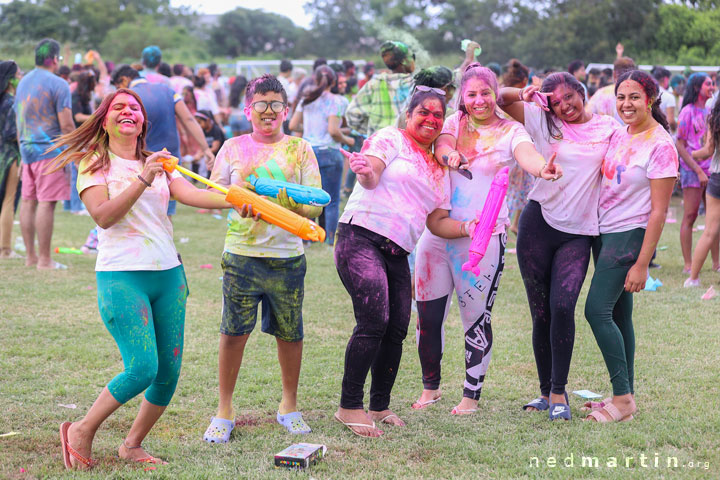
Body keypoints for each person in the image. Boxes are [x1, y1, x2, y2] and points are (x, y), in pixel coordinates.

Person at [50, 88, 232, 470]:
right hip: (122, 277)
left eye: (135, 107)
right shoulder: (94, 164)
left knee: (168, 372)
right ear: (104, 119)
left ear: (143, 121)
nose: (127, 111)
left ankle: (132, 444)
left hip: (169, 275)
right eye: (118, 106)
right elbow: (103, 216)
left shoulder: (157, 163)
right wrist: (144, 178)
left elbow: (193, 195)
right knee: (143, 366)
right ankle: (82, 429)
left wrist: (237, 199)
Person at [413, 65, 561, 416]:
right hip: (436, 235)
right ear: (463, 97)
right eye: (472, 94)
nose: (479, 101)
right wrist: (448, 154)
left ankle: (470, 395)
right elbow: (443, 145)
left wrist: (542, 168)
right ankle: (430, 388)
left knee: (475, 319)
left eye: (485, 93)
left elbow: (527, 154)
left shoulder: (511, 131)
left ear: (496, 93)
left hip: (482, 241)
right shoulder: (453, 122)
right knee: (427, 319)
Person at [203, 74, 323, 443]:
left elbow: (314, 207)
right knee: (233, 332)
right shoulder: (232, 146)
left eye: (275, 105)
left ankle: (289, 405)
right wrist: (241, 201)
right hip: (241, 255)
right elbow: (215, 192)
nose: (268, 112)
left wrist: (285, 200)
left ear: (286, 110)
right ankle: (224, 409)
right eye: (261, 104)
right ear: (248, 109)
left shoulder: (300, 149)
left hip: (287, 256)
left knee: (290, 333)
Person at [333, 88, 455, 437]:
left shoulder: (438, 168)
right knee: (374, 319)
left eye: (437, 115)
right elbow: (371, 173)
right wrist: (362, 170)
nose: (430, 120)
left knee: (397, 328)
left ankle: (379, 405)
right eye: (424, 112)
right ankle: (349, 406)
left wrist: (468, 228)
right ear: (409, 115)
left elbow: (436, 221)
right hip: (360, 237)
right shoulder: (391, 138)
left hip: (398, 251)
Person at [498, 72, 618, 420]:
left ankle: (558, 391)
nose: (564, 107)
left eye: (569, 98)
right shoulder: (542, 120)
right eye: (555, 102)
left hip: (578, 233)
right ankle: (545, 391)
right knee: (541, 313)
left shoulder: (607, 127)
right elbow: (501, 99)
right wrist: (524, 92)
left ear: (582, 93)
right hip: (538, 224)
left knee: (563, 307)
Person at [583, 70, 677, 422]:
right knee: (620, 315)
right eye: (621, 97)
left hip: (629, 235)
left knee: (596, 311)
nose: (626, 104)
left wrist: (641, 263)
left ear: (650, 99)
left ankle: (622, 400)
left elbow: (659, 211)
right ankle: (627, 394)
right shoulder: (619, 134)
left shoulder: (661, 145)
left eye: (635, 97)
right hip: (604, 233)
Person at [112, 65, 215, 215]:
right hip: (169, 160)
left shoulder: (128, 98)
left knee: (142, 213)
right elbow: (189, 119)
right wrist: (206, 149)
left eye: (117, 86)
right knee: (166, 212)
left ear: (123, 80)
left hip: (140, 161)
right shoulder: (167, 91)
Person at [15, 38, 74, 269]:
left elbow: (19, 119)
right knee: (46, 203)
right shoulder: (59, 84)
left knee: (28, 202)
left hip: (27, 150)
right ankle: (45, 260)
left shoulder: (22, 82)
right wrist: (75, 152)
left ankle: (31, 257)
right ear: (54, 59)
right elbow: (67, 125)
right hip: (50, 151)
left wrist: (21, 152)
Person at [289, 66, 354, 245]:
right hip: (330, 153)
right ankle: (329, 239)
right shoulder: (339, 100)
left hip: (309, 152)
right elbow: (333, 131)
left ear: (315, 80)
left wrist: (311, 130)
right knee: (331, 200)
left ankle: (307, 238)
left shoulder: (307, 99)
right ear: (333, 81)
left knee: (307, 197)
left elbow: (293, 125)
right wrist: (347, 140)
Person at [676, 73, 717, 274]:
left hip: (712, 171)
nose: (712, 86)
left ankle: (716, 263)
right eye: (708, 84)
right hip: (692, 170)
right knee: (690, 215)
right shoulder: (687, 112)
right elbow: (680, 145)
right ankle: (688, 264)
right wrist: (698, 170)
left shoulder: (711, 110)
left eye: (713, 83)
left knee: (714, 218)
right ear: (697, 88)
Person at [346, 41, 415, 138]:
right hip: (406, 146)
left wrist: (373, 130)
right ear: (404, 60)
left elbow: (352, 115)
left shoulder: (374, 84)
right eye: (412, 57)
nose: (414, 61)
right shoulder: (416, 85)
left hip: (376, 147)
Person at [685, 97, 720, 286]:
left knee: (709, 232)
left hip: (718, 177)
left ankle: (693, 278)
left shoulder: (714, 117)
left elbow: (708, 150)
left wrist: (692, 154)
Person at [0, 61, 22, 259]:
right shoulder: (11, 102)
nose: (21, 76)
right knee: (9, 200)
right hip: (8, 156)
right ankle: (5, 249)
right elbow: (11, 133)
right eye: (19, 73)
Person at [587, 57, 637, 124]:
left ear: (613, 74)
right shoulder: (640, 95)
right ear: (634, 73)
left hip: (605, 133)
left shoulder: (600, 94)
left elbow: (586, 115)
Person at [652, 66, 677, 132]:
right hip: (663, 132)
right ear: (666, 79)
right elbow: (670, 121)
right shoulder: (669, 97)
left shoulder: (647, 93)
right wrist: (675, 128)